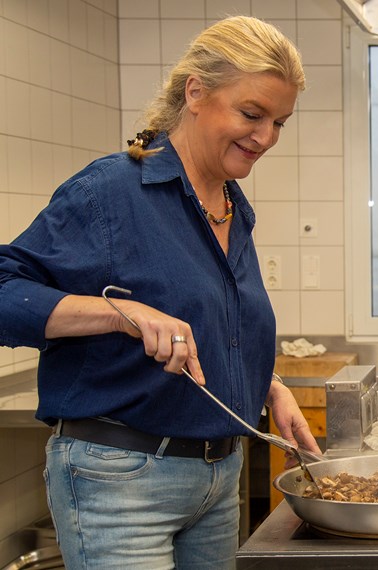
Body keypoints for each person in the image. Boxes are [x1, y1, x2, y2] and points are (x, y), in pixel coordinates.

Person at [0, 16, 320, 569]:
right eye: (252, 114)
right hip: (120, 480)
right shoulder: (110, 192)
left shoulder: (230, 205)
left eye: (279, 122)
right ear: (195, 92)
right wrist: (118, 314)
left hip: (218, 480)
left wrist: (268, 386)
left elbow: (213, 321)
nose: (266, 137)